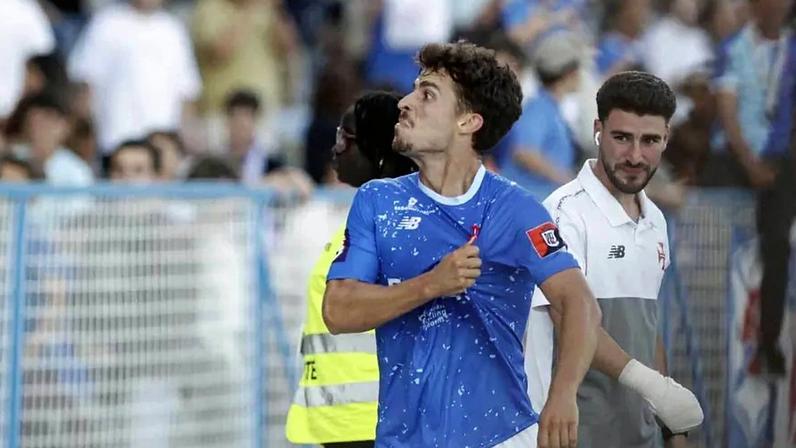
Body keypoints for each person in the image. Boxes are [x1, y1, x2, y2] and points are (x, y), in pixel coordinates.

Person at [323, 41, 602, 448]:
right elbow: (337, 310)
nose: (405, 102)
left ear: (468, 122)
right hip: (400, 440)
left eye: (427, 94)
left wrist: (562, 396)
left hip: (500, 438)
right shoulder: (376, 201)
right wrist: (431, 284)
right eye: (413, 89)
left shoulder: (516, 209)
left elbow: (580, 304)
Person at [530, 71, 703, 448]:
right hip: (573, 434)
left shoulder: (655, 219)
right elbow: (566, 317)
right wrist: (652, 384)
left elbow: (647, 326)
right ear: (598, 130)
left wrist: (670, 424)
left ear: (666, 139)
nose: (635, 156)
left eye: (650, 140)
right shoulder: (562, 213)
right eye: (622, 138)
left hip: (639, 436)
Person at [286, 91, 416, 447]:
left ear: (378, 150)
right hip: (344, 422)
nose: (336, 149)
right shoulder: (362, 216)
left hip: (373, 423)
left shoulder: (400, 221)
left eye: (347, 137)